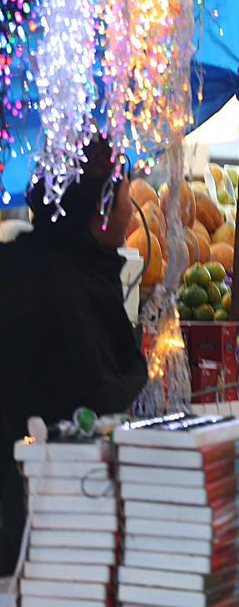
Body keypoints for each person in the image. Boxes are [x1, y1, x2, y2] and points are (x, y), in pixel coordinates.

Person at [0, 135, 148, 573]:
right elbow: (93, 398)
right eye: (125, 196)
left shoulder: (23, 263)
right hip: (34, 538)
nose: (130, 210)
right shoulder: (71, 290)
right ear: (101, 212)